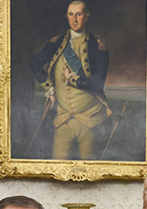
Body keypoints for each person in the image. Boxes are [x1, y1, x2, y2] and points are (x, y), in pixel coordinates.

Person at [30, 0, 111, 160]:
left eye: (78, 14)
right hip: (62, 119)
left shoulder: (97, 46)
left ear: (86, 16)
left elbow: (97, 84)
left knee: (89, 168)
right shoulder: (57, 42)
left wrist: (72, 78)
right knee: (58, 167)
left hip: (90, 120)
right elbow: (36, 64)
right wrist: (50, 88)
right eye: (71, 14)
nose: (74, 19)